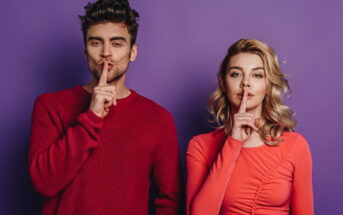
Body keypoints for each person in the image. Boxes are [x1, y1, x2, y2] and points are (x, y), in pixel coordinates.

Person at [28, 0, 184, 214]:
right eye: (96, 43)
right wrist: (91, 116)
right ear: (85, 51)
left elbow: (171, 201)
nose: (106, 52)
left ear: (133, 51)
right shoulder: (50, 106)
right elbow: (44, 183)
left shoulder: (159, 119)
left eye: (117, 43)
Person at [186, 39, 314, 215]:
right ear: (223, 83)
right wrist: (233, 142)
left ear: (268, 85)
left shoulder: (295, 146)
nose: (245, 82)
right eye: (236, 74)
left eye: (257, 75)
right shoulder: (200, 146)